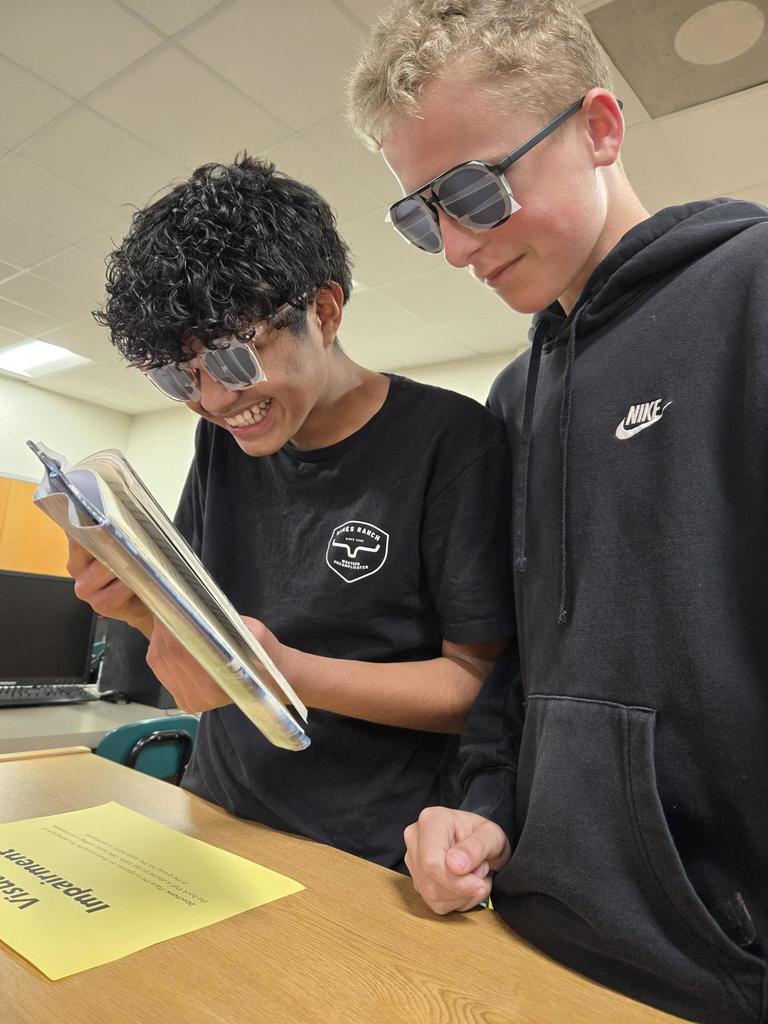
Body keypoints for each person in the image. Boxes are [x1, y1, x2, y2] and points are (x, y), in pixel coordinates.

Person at [347, 1, 768, 1021]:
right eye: (421, 215)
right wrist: (481, 804)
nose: (454, 248)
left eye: (476, 193)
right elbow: (530, 657)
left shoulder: (751, 292)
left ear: (601, 129)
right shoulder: (515, 400)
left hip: (719, 968)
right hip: (531, 932)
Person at [68, 155, 515, 871]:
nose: (213, 401)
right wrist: (131, 608)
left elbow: (474, 688)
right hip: (217, 807)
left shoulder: (452, 442)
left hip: (369, 850)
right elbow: (209, 627)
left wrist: (279, 672)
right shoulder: (219, 440)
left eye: (235, 361)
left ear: (326, 311)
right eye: (178, 377)